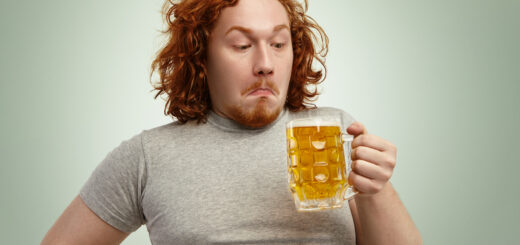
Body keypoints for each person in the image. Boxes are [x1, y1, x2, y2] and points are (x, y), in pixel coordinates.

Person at [42, 0, 422, 244]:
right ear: (201, 57)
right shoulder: (145, 157)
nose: (265, 64)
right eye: (242, 45)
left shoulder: (334, 131)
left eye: (278, 43)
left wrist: (376, 190)